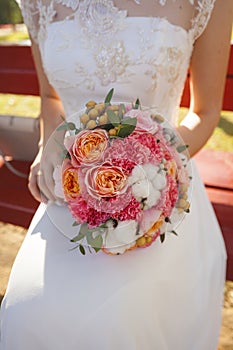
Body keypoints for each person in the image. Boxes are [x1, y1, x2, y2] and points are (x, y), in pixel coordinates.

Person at [0, 0, 232, 349]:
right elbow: (51, 98)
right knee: (29, 312)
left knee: (118, 324)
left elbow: (206, 112)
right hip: (72, 191)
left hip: (159, 192)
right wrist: (46, 147)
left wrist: (152, 165)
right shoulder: (37, 3)